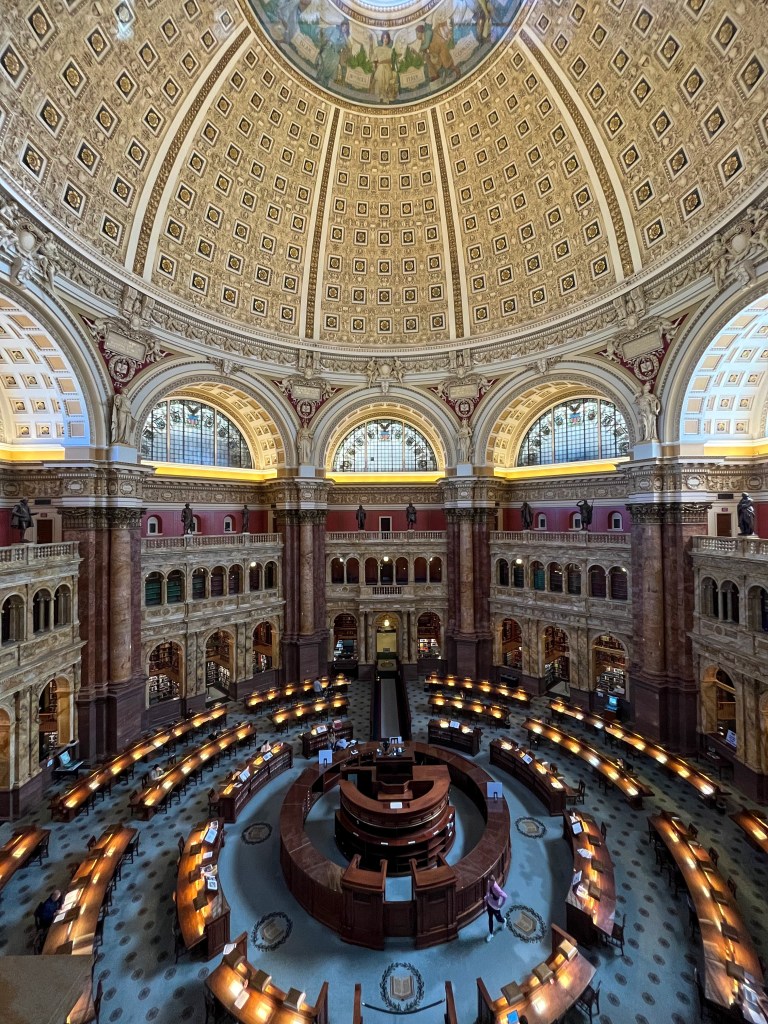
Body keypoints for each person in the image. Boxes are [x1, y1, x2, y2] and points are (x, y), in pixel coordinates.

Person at [484, 873, 507, 941]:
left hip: (495, 907)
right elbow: (488, 891)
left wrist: (501, 905)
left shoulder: (496, 888)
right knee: (490, 918)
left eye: (493, 881)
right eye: (491, 881)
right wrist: (487, 896)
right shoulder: (489, 883)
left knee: (498, 919)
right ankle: (491, 933)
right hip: (489, 904)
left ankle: (504, 921)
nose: (492, 882)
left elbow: (505, 896)